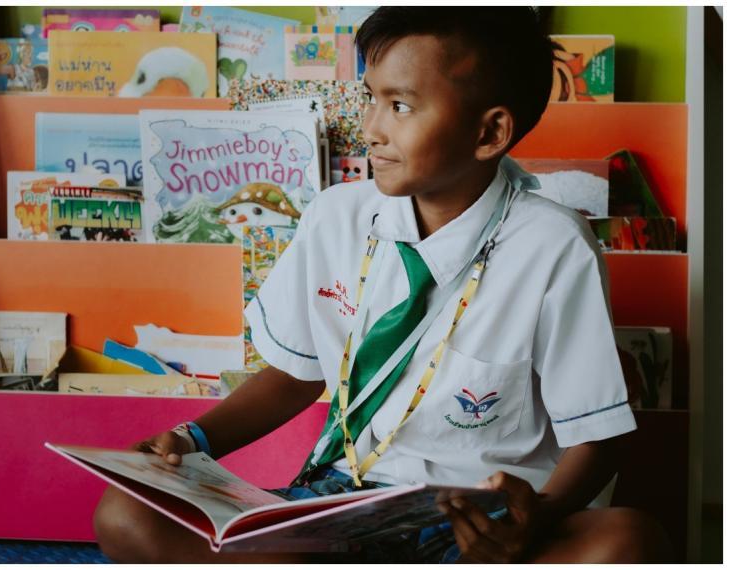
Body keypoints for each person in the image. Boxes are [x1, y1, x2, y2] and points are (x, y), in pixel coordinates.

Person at [93, 7, 671, 563]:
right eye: (371, 98)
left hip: (477, 524)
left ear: (490, 131)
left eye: (399, 106)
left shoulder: (554, 245)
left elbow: (598, 436)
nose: (370, 128)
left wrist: (534, 520)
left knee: (629, 541)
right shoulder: (335, 216)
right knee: (125, 513)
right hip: (340, 503)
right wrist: (191, 439)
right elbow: (295, 377)